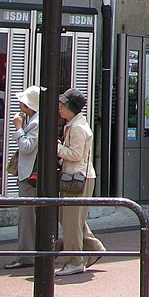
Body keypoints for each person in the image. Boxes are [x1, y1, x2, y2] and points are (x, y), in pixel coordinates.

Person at [56, 87, 106, 277]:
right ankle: (94, 247)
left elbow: (76, 155)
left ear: (71, 107)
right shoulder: (75, 123)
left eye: (62, 105)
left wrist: (58, 148)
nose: (59, 108)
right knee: (72, 219)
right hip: (80, 177)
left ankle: (74, 261)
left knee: (71, 222)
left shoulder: (77, 127)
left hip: (77, 178)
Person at [5, 85, 43, 270]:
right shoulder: (35, 119)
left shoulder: (36, 122)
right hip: (29, 175)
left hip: (29, 176)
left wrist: (18, 128)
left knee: (27, 217)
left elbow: (27, 147)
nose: (20, 103)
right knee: (31, 216)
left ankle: (26, 255)